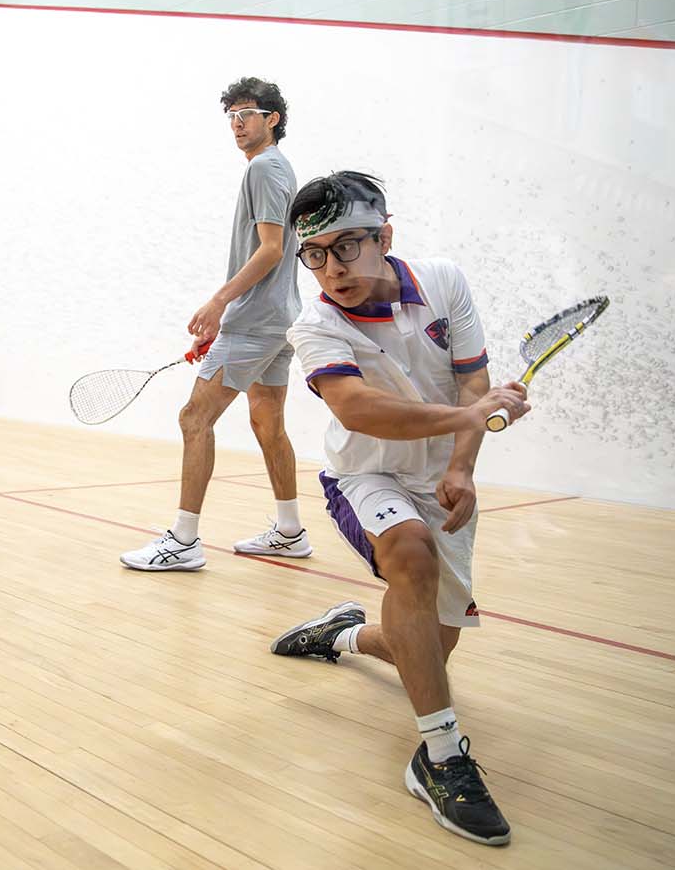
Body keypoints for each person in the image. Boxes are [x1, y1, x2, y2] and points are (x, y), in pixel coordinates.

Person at [268, 171, 528, 846]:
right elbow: (361, 410)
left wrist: (464, 467)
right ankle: (440, 759)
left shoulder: (444, 282)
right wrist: (472, 412)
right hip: (365, 474)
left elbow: (472, 378)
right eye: (314, 254)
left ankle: (342, 636)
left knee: (429, 654)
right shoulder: (315, 325)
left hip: (439, 478)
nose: (331, 268)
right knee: (410, 558)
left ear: (385, 235)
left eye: (346, 245)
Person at [121, 77, 310, 571]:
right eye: (231, 116)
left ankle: (183, 540)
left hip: (254, 322)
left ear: (272, 119)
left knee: (194, 418)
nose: (237, 123)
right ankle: (290, 531)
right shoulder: (279, 168)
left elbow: (270, 249)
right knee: (267, 423)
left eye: (246, 113)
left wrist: (219, 303)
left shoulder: (265, 169)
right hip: (280, 319)